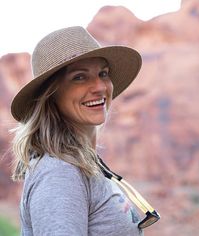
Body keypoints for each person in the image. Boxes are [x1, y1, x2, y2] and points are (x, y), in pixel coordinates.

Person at [11, 26, 160, 236]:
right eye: (79, 77)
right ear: (51, 94)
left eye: (103, 73)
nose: (100, 87)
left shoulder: (81, 163)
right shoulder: (59, 173)